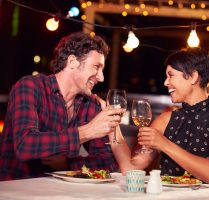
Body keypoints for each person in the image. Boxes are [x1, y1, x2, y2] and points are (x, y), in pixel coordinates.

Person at [0, 32, 125, 180]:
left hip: (59, 192)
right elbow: (25, 145)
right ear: (72, 62)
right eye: (96, 67)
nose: (101, 77)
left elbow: (109, 162)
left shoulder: (89, 104)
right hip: (15, 189)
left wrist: (68, 164)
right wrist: (88, 131)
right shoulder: (30, 86)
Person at [113, 48, 209, 186]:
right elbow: (130, 169)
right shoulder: (165, 119)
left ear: (193, 77)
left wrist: (164, 144)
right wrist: (113, 128)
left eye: (171, 75)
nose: (165, 82)